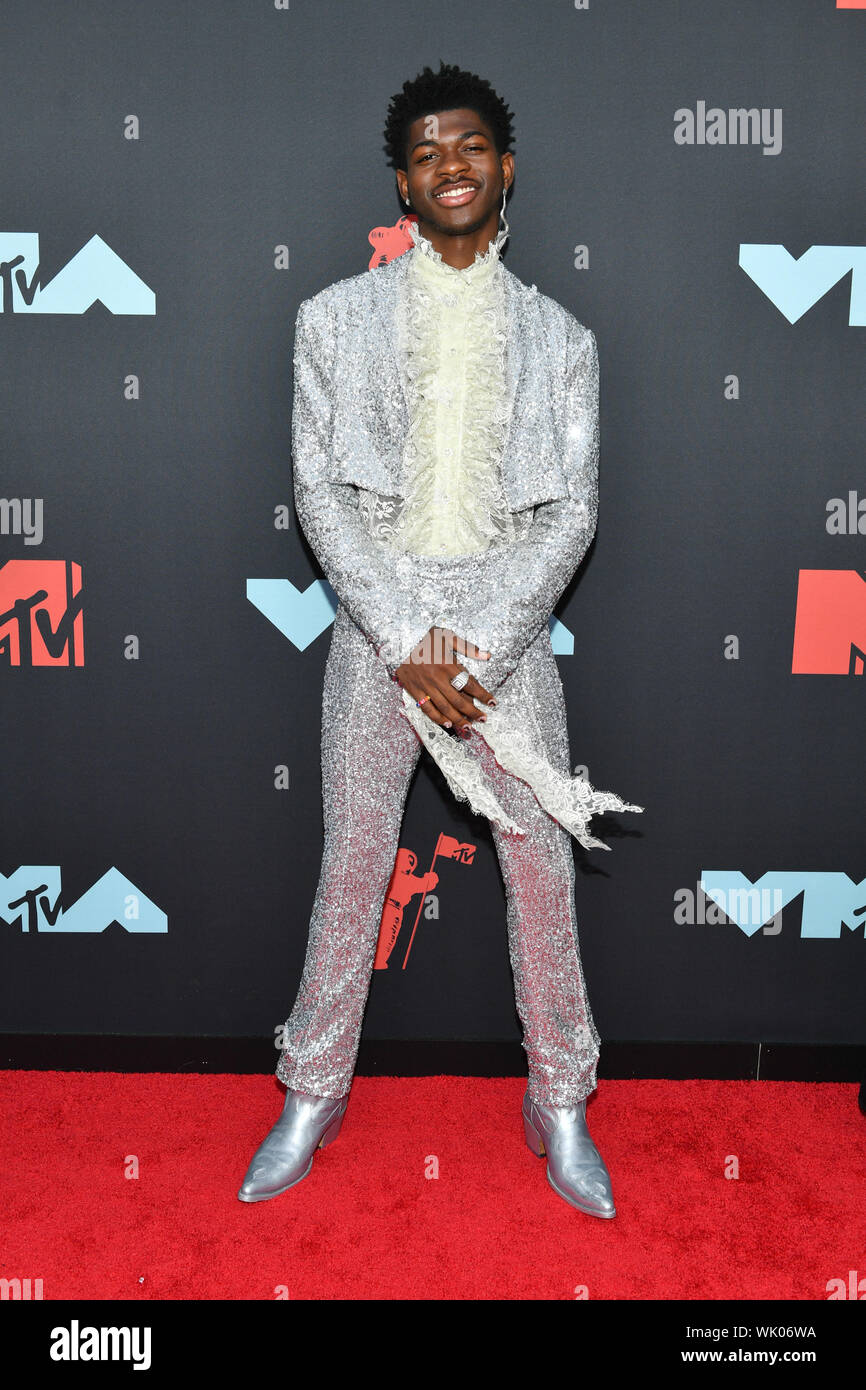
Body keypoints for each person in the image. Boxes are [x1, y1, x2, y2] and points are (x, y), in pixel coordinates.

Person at [238, 62, 643, 1218]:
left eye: (469, 146)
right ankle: (311, 1089)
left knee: (540, 867)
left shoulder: (563, 340)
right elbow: (319, 495)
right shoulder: (330, 319)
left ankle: (559, 1097)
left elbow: (572, 511)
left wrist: (481, 638)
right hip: (378, 623)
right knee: (354, 862)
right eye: (425, 152)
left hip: (505, 628)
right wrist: (402, 630)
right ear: (401, 182)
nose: (449, 165)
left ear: (504, 167)